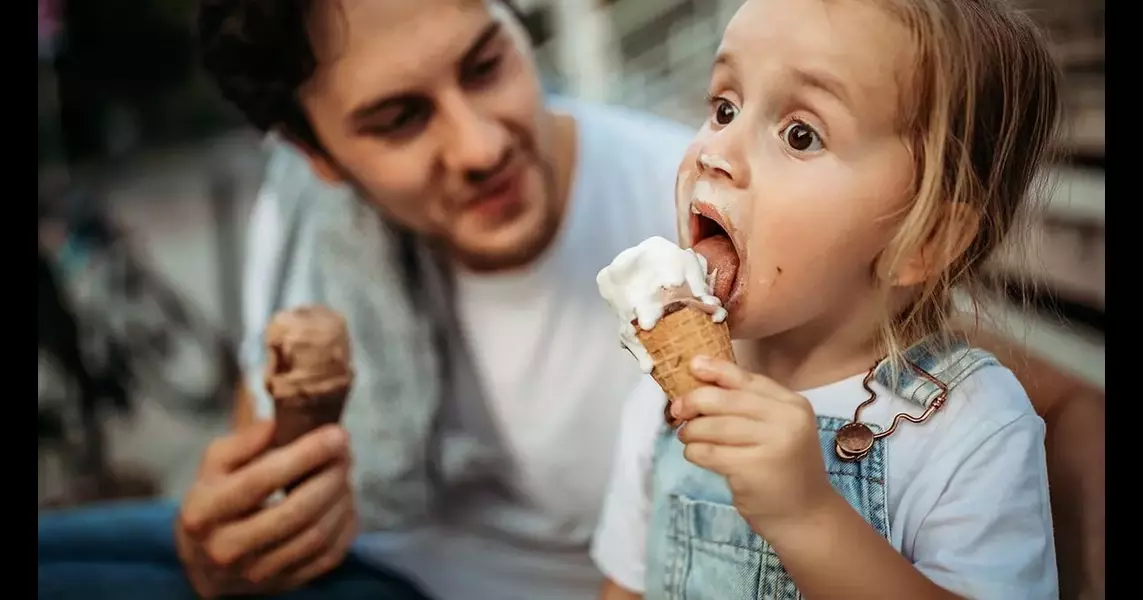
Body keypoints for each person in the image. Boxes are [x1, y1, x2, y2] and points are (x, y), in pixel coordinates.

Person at [38, 0, 696, 599]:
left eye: (485, 66)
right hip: (337, 562)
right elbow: (260, 434)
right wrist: (234, 542)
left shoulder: (682, 220)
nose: (481, 146)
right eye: (399, 120)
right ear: (313, 154)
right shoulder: (313, 217)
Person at [591, 0, 1062, 598]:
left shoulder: (971, 429)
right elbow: (624, 588)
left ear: (920, 239)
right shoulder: (660, 404)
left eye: (800, 134)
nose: (716, 153)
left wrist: (808, 516)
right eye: (723, 108)